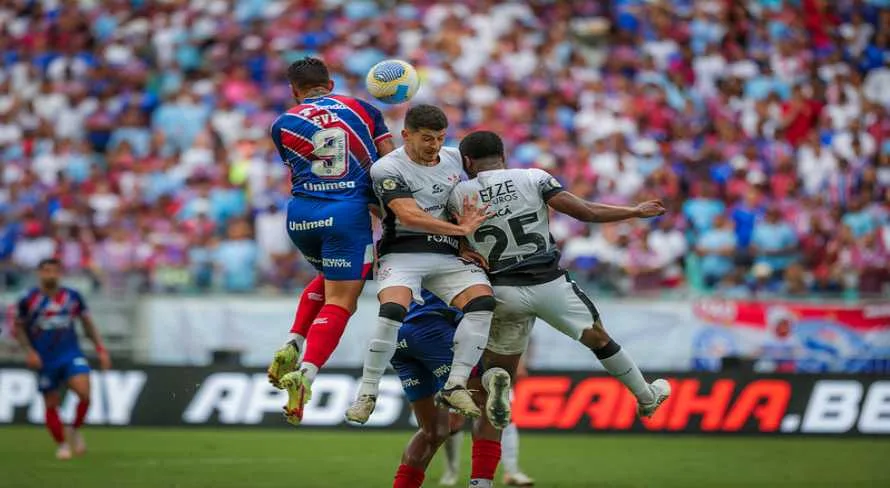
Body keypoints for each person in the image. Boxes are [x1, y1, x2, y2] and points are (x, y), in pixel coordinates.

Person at [450, 131, 672, 487]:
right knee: (599, 338)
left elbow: (452, 240)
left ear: (467, 163)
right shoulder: (533, 177)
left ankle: (482, 476)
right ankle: (645, 397)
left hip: (500, 290)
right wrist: (633, 210)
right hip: (549, 285)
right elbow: (584, 212)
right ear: (503, 155)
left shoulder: (458, 194)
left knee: (497, 381)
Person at [266, 57, 395, 425]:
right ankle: (306, 374)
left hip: (302, 217)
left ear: (295, 92)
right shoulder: (363, 109)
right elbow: (388, 164)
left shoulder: (282, 124)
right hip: (347, 215)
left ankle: (293, 340)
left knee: (334, 278)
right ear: (331, 83)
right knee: (343, 299)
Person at [346, 105, 494, 424]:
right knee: (393, 311)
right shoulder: (387, 168)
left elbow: (464, 201)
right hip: (403, 253)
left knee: (483, 302)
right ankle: (367, 392)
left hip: (447, 254)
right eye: (427, 139)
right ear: (406, 135)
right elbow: (408, 215)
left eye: (440, 138)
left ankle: (455, 384)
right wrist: (461, 231)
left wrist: (465, 243)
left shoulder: (455, 157)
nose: (435, 146)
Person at [391, 289, 510, 488]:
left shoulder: (407, 261)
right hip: (432, 329)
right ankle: (480, 484)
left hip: (399, 335)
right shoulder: (459, 261)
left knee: (433, 431)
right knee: (488, 401)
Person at [14, 258, 111, 460]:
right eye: (46, 271)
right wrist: (29, 351)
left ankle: (74, 430)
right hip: (44, 358)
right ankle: (62, 444)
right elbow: (19, 328)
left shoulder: (72, 296)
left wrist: (100, 349)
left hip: (70, 354)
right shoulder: (28, 299)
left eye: (54, 271)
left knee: (84, 393)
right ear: (39, 274)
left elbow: (87, 324)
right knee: (51, 402)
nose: (50, 274)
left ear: (60, 274)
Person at [439, 351, 535, 487]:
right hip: (462, 363)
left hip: (493, 362)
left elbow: (514, 333)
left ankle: (511, 471)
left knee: (502, 414)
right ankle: (451, 470)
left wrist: (520, 363)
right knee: (454, 421)